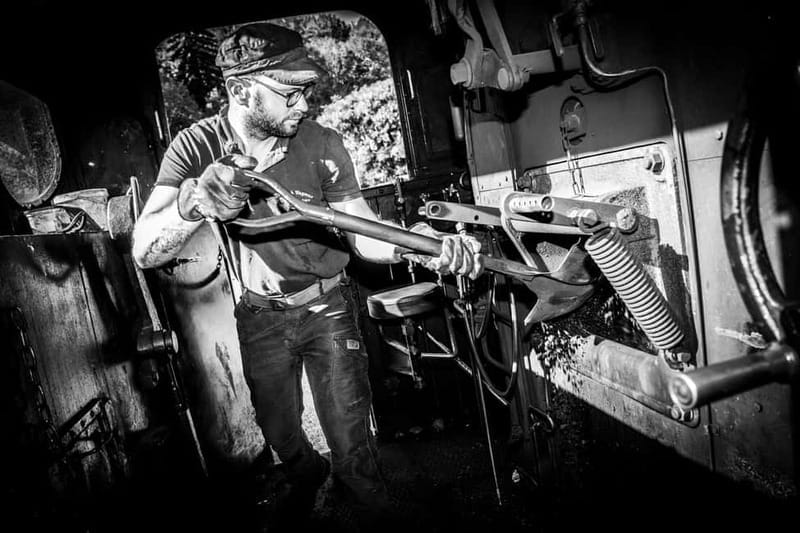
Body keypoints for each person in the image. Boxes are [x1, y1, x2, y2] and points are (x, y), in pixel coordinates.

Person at [132, 22, 483, 531]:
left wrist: (423, 247)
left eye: (307, 90)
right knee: (278, 430)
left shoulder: (321, 144)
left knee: (349, 432)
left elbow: (364, 234)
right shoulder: (197, 146)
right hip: (259, 315)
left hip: (328, 308)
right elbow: (145, 249)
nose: (304, 103)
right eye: (289, 92)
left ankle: (369, 502)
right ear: (240, 90)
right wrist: (190, 205)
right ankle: (306, 471)